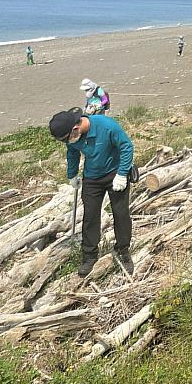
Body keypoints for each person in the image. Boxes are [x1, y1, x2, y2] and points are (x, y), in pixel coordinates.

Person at [49, 107, 135, 277]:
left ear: (75, 129)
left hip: (115, 173)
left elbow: (127, 147)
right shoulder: (72, 138)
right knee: (90, 216)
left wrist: (122, 174)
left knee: (121, 213)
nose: (68, 142)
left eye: (67, 139)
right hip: (92, 178)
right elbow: (72, 153)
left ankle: (123, 251)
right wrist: (72, 175)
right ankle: (89, 256)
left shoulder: (107, 126)